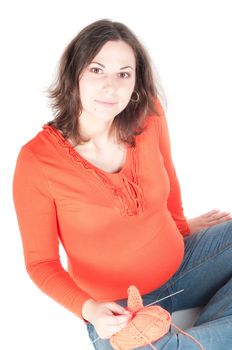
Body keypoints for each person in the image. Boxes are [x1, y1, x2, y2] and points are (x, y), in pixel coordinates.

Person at [12, 19, 232, 350]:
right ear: (75, 76)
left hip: (183, 266)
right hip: (114, 308)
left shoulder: (150, 115)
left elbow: (168, 178)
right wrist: (91, 311)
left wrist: (183, 228)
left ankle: (191, 336)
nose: (110, 86)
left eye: (123, 74)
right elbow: (41, 264)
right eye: (97, 70)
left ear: (135, 84)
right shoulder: (37, 161)